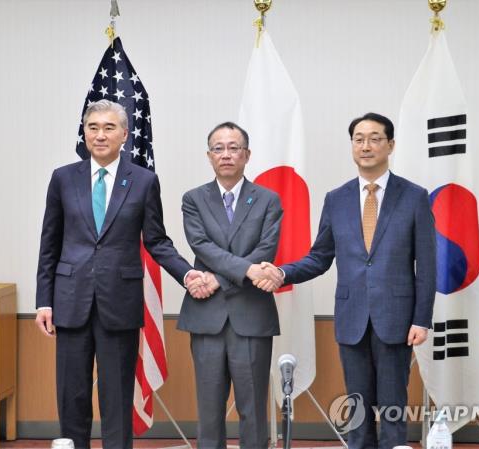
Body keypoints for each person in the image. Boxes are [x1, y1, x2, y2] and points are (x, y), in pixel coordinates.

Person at [35, 99, 209, 449]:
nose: (100, 135)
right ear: (84, 132)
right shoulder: (63, 178)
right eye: (93, 127)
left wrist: (188, 275)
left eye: (109, 127)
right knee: (72, 396)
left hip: (120, 303)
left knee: (116, 397)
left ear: (125, 134)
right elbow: (49, 243)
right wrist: (43, 302)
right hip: (69, 302)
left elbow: (157, 241)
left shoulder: (144, 181)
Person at [257, 113, 436, 449]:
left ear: (390, 145)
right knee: (357, 405)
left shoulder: (414, 197)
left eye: (374, 138)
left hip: (397, 319)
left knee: (393, 404)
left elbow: (426, 265)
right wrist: (283, 273)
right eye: (358, 139)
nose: (365, 146)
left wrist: (421, 319)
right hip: (352, 317)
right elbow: (319, 257)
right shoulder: (336, 199)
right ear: (352, 146)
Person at [179, 122, 283, 449]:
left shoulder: (268, 200)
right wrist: (244, 272)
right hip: (206, 316)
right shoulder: (194, 199)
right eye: (218, 148)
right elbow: (201, 246)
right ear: (209, 156)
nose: (226, 154)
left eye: (233, 147)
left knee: (252, 408)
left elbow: (265, 252)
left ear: (247, 155)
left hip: (251, 316)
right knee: (209, 410)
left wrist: (218, 278)